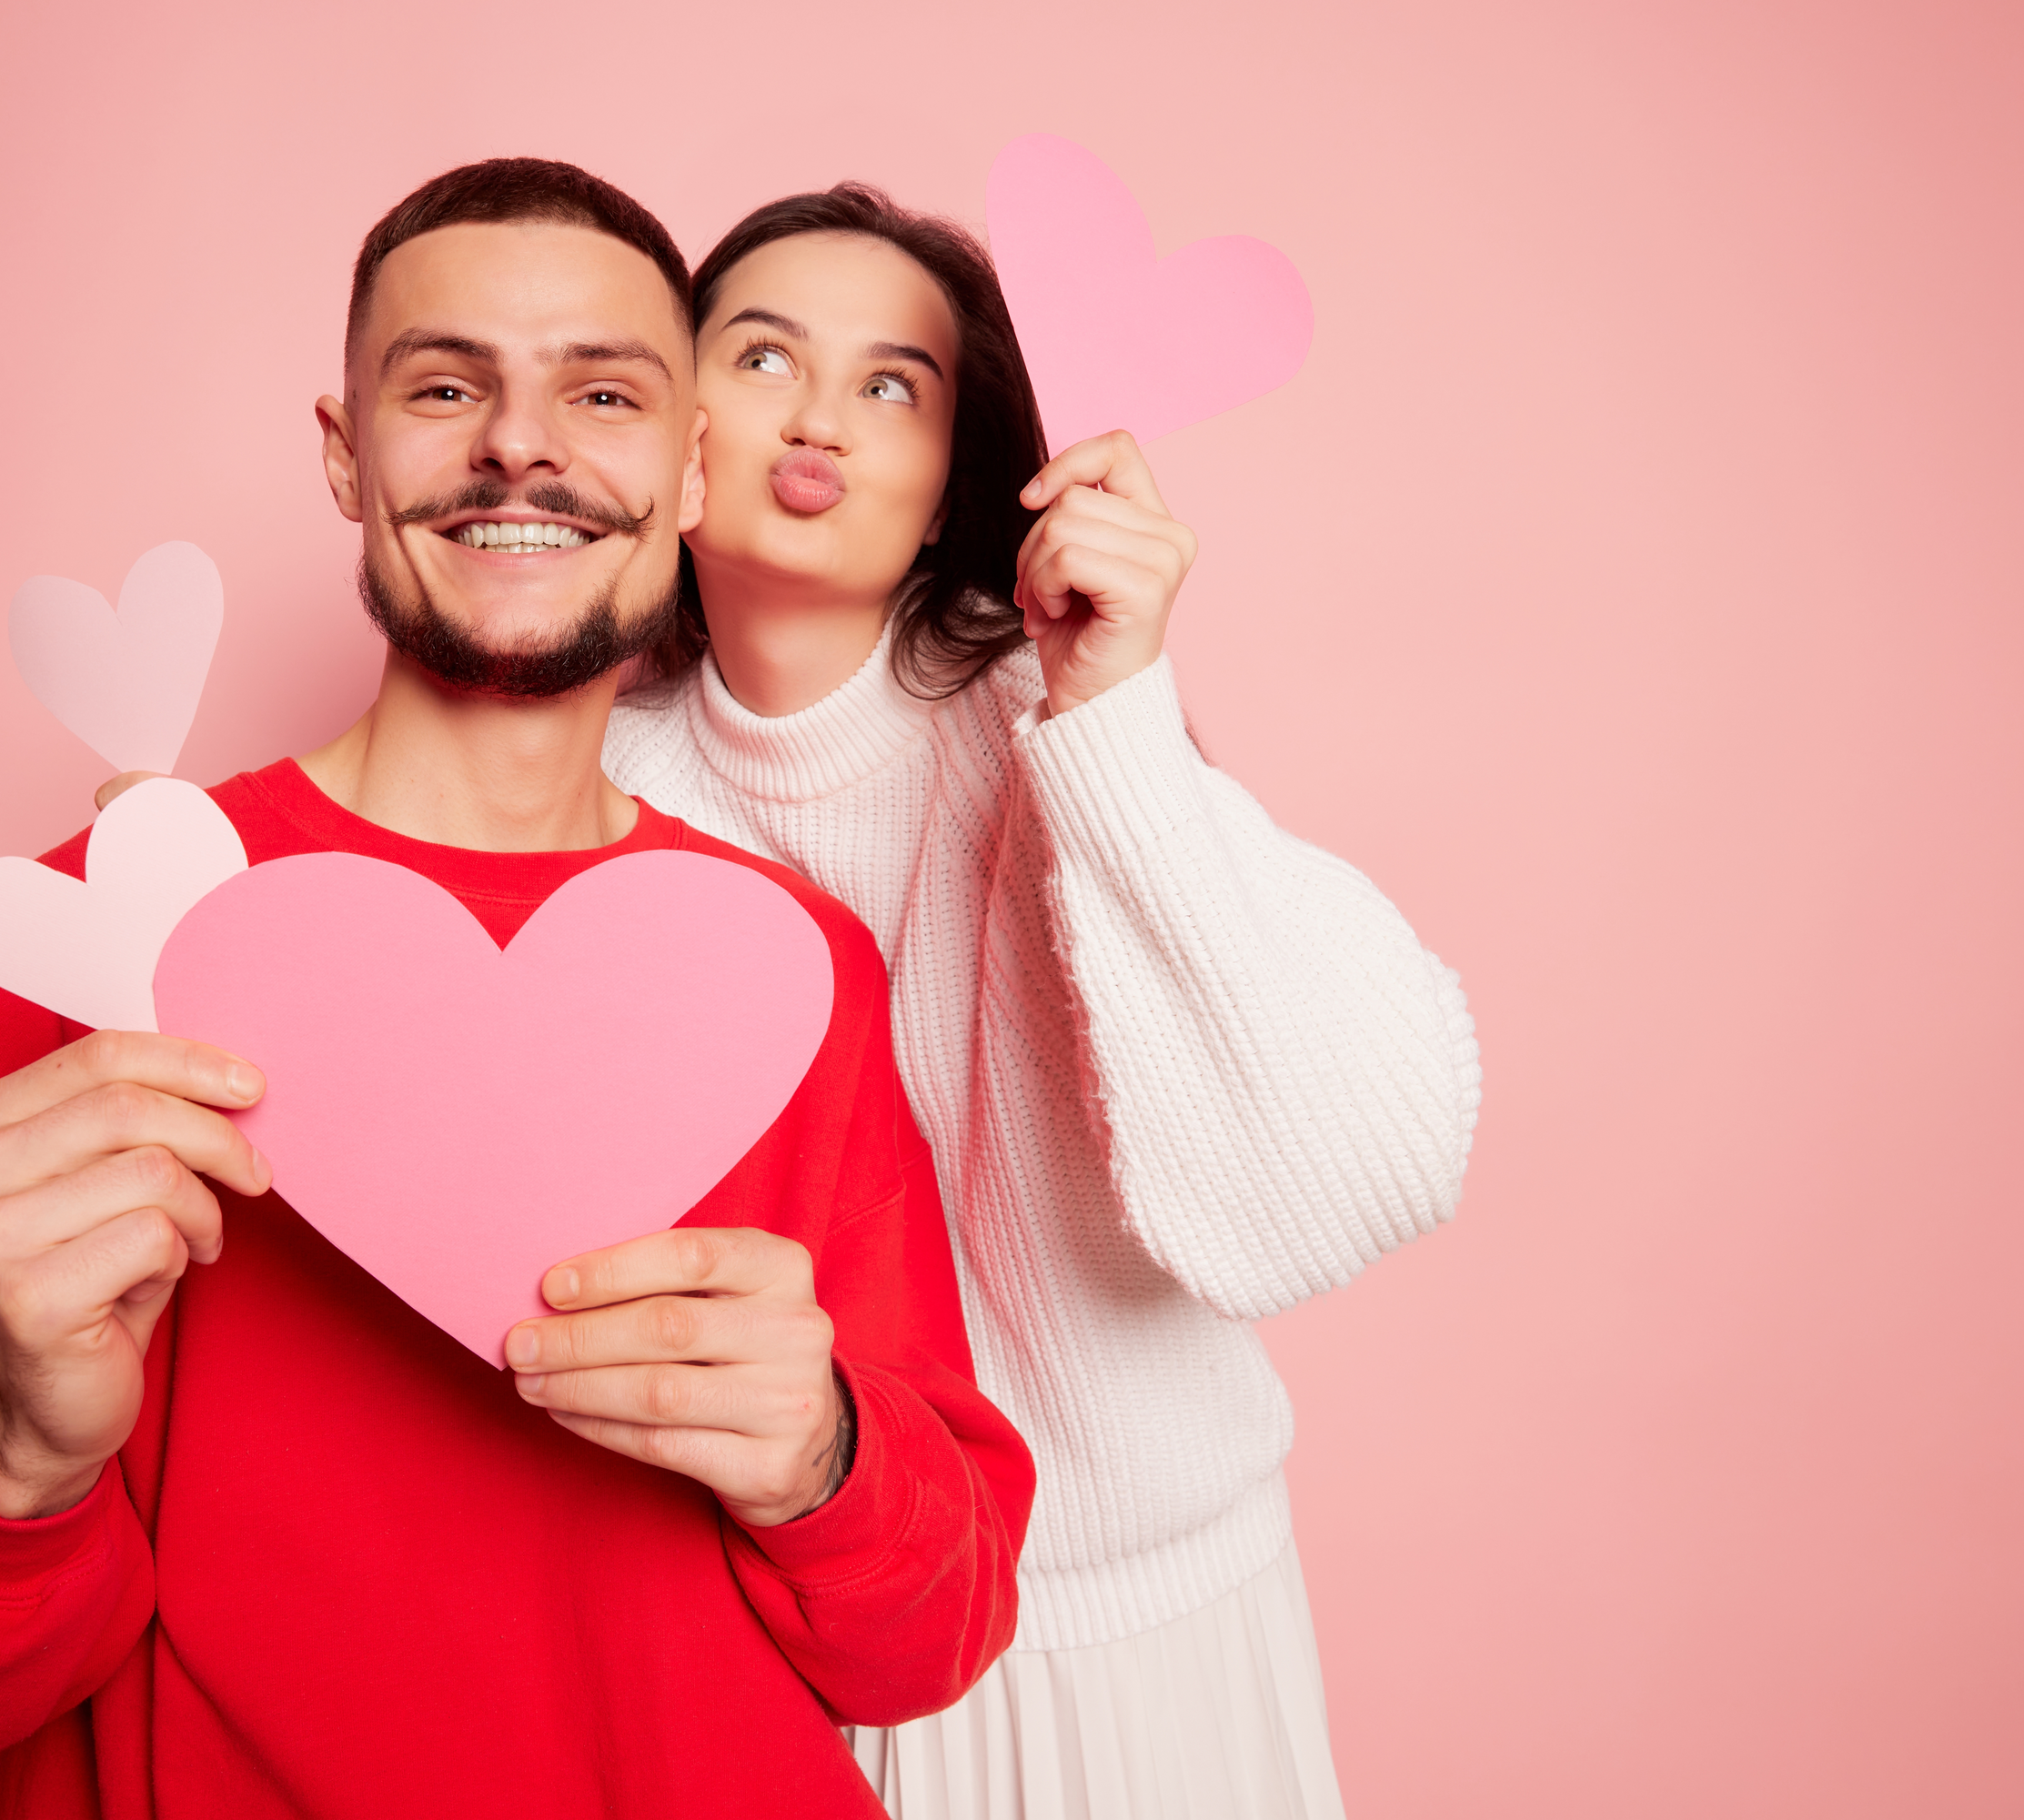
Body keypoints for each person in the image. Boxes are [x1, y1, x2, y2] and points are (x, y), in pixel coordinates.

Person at [105, 185, 1483, 1817]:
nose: (823, 414)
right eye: (764, 356)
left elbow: (1346, 1181)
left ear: (954, 478)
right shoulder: (579, 781)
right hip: (785, 1620)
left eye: (894, 383)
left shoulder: (1070, 723)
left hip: (1138, 1625)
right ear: (675, 441)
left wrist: (1118, 717)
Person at [0, 159, 1034, 1819]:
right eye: (446, 388)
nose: (522, 443)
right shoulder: (109, 929)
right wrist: (16, 1449)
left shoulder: (785, 967)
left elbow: (931, 1637)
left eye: (603, 391)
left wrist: (826, 1459)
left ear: (694, 470)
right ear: (346, 458)